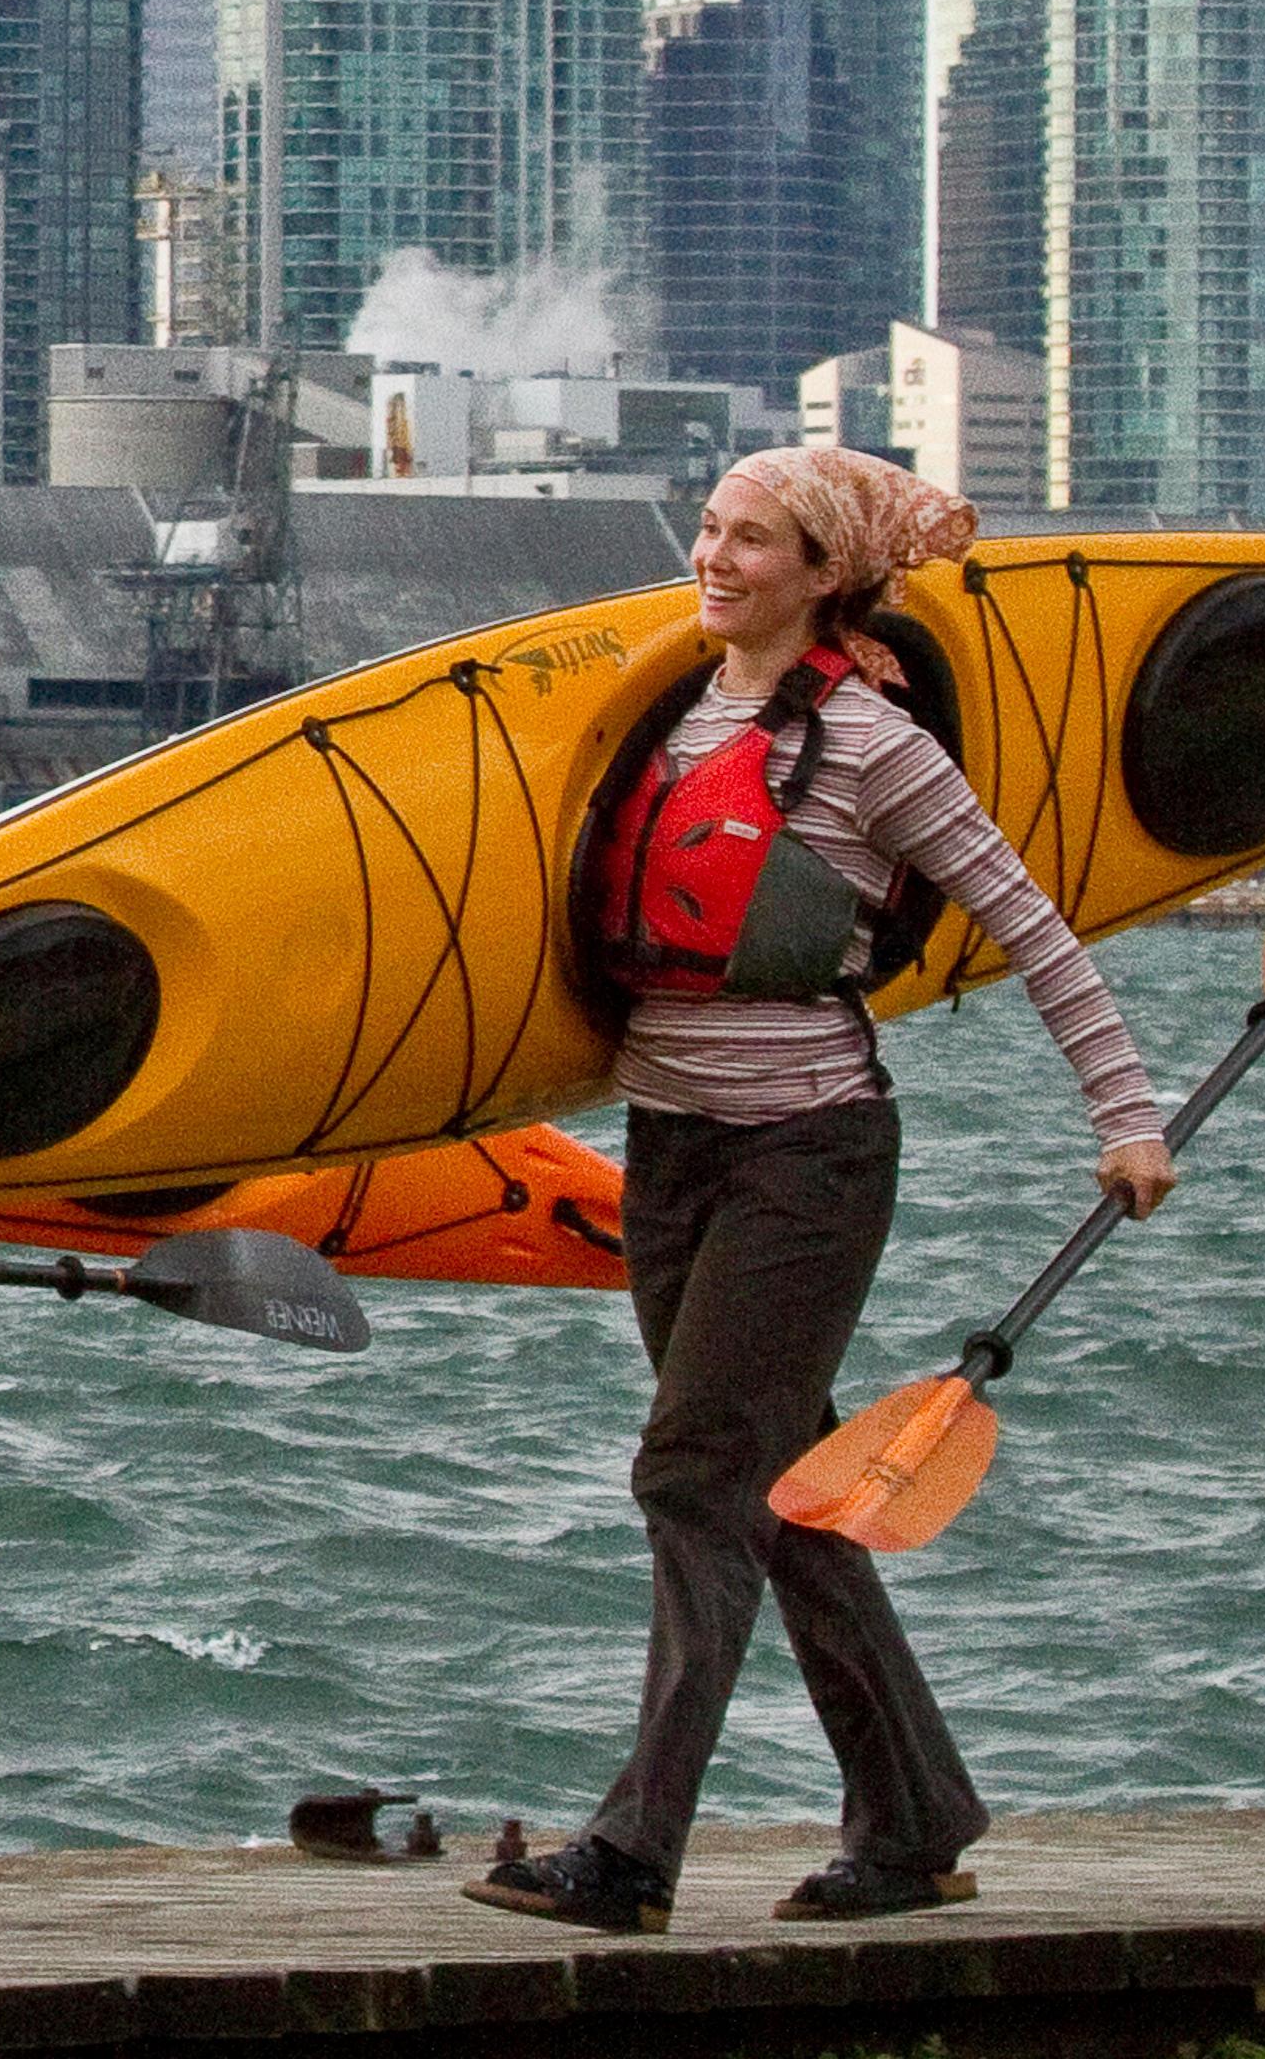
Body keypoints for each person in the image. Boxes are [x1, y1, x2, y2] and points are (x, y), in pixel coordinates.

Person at [463, 443, 1174, 1940]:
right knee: (778, 1498)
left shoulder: (871, 742)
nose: (715, 560)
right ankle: (915, 1817)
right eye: (708, 530)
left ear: (824, 575)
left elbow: (1029, 923)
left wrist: (1125, 1114)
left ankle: (635, 1853)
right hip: (670, 1150)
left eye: (754, 542)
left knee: (690, 1474)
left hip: (810, 1155)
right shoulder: (662, 717)